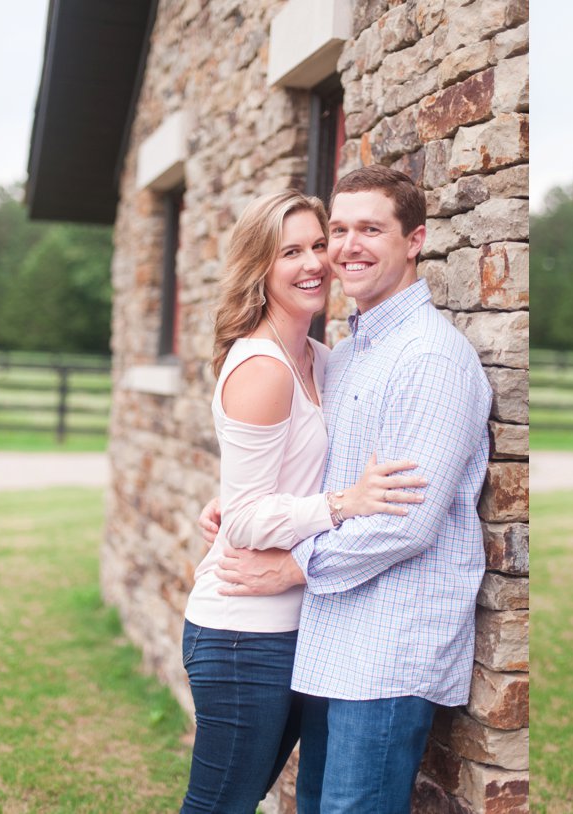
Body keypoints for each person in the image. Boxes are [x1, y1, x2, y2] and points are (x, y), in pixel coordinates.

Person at [205, 166, 493, 814]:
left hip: (387, 652)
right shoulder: (350, 350)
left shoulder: (430, 358)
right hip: (333, 642)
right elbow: (322, 467)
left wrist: (292, 567)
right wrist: (242, 506)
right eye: (338, 230)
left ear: (414, 240)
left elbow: (406, 522)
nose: (346, 247)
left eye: (370, 229)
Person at [181, 189, 425, 814]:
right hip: (242, 636)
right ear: (260, 266)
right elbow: (246, 519)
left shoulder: (323, 359)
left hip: (300, 629)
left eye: (319, 245)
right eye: (290, 252)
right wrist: (342, 504)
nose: (315, 263)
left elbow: (272, 481)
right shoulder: (263, 367)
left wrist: (231, 500)